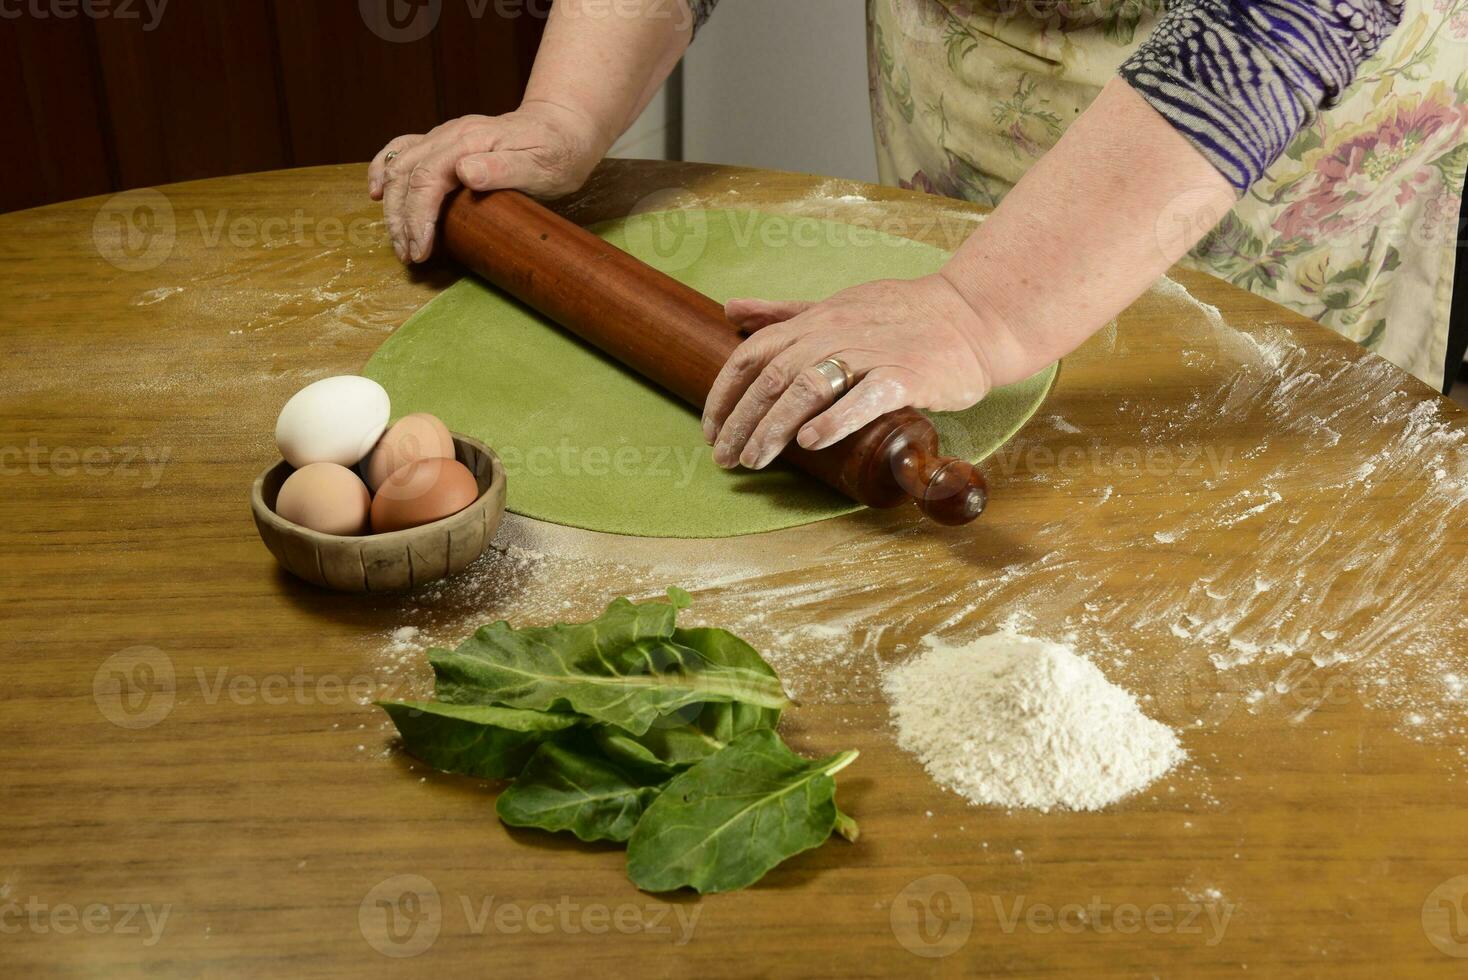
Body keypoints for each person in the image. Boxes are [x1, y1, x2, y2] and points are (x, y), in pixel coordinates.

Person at [369, 1, 1466, 473]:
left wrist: (983, 308)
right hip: (970, 72)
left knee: (1190, 499)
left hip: (1265, 157)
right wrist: (565, 111)